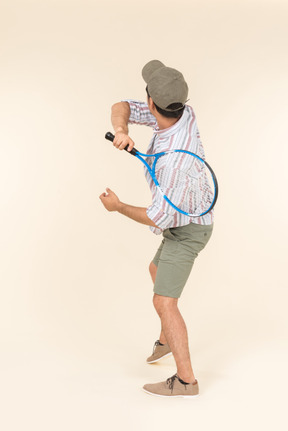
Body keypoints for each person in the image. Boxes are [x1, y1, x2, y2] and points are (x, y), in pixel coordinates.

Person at [99, 60, 214, 398]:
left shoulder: (171, 165)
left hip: (189, 228)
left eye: (146, 96)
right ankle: (166, 341)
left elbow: (159, 217)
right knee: (155, 268)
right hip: (184, 219)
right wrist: (122, 131)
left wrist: (118, 207)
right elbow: (120, 106)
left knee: (164, 302)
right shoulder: (181, 114)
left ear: (153, 103)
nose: (143, 101)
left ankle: (186, 381)